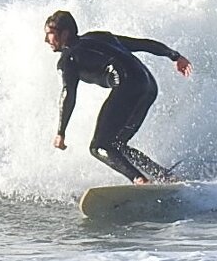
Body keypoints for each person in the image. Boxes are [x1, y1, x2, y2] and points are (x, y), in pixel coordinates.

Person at [45, 10, 192, 184]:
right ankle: (165, 177)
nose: (46, 40)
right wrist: (174, 55)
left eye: (50, 34)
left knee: (98, 146)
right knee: (117, 144)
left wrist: (60, 132)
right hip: (149, 84)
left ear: (65, 33)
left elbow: (68, 94)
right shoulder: (98, 37)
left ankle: (140, 180)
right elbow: (141, 44)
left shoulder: (67, 59)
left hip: (128, 85)